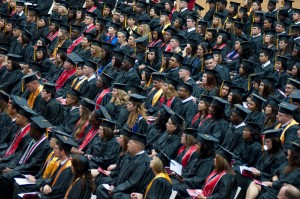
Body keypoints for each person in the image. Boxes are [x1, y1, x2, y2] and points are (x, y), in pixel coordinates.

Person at [95, 132, 154, 199]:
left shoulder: (143, 162)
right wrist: (113, 185)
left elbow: (132, 182)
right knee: (101, 188)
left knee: (113, 195)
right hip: (120, 187)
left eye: (130, 143)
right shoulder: (129, 155)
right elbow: (119, 172)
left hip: (129, 192)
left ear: (137, 147)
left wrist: (115, 189)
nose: (127, 144)